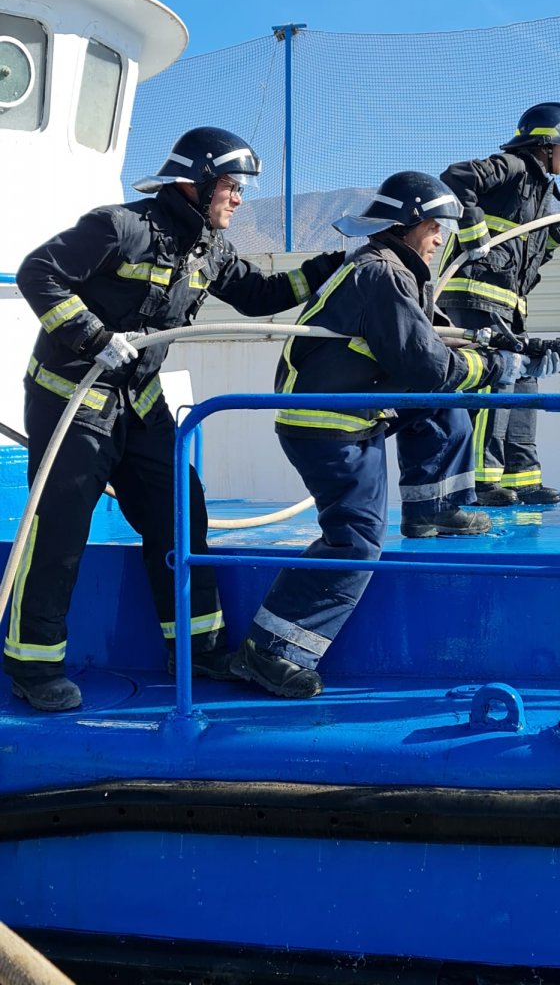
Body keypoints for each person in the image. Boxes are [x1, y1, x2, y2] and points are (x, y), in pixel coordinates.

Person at [4, 126, 345, 712]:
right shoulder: (119, 227)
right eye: (232, 186)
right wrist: (92, 335)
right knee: (60, 526)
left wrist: (335, 264)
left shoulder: (209, 249)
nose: (239, 199)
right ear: (198, 180)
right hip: (73, 396)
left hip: (138, 398)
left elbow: (260, 294)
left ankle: (197, 646)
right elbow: (39, 272)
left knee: (181, 512)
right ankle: (33, 664)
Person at [229, 171, 557, 700]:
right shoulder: (381, 275)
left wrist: (507, 348)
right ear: (408, 224)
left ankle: (434, 510)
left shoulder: (399, 270)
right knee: (356, 542)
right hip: (328, 428)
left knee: (442, 405)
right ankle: (268, 653)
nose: (440, 239)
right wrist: (502, 367)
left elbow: (434, 348)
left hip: (355, 412)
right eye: (434, 228)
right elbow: (430, 367)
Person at [437, 102, 560, 506]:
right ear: (548, 143)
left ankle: (522, 478)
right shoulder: (513, 167)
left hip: (509, 303)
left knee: (526, 380)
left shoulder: (545, 193)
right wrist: (473, 229)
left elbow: (536, 249)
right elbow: (455, 177)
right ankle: (483, 481)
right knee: (498, 377)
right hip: (475, 295)